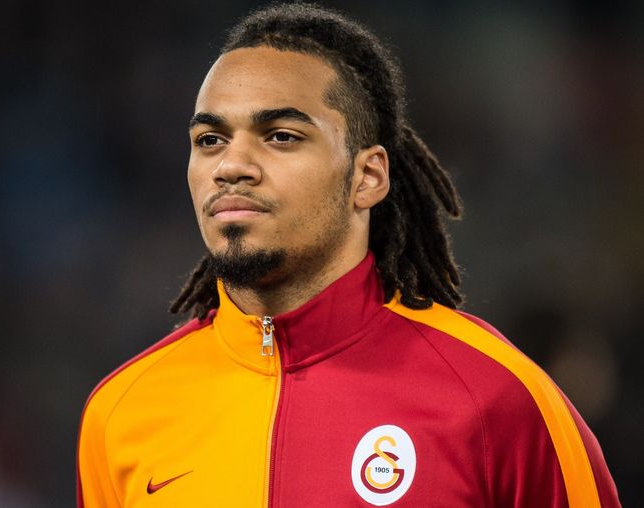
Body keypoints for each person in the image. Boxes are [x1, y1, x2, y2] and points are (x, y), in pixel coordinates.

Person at [76, 4, 620, 507]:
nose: (231, 166)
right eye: (210, 140)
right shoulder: (122, 413)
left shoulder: (497, 399)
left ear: (368, 177)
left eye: (281, 136)